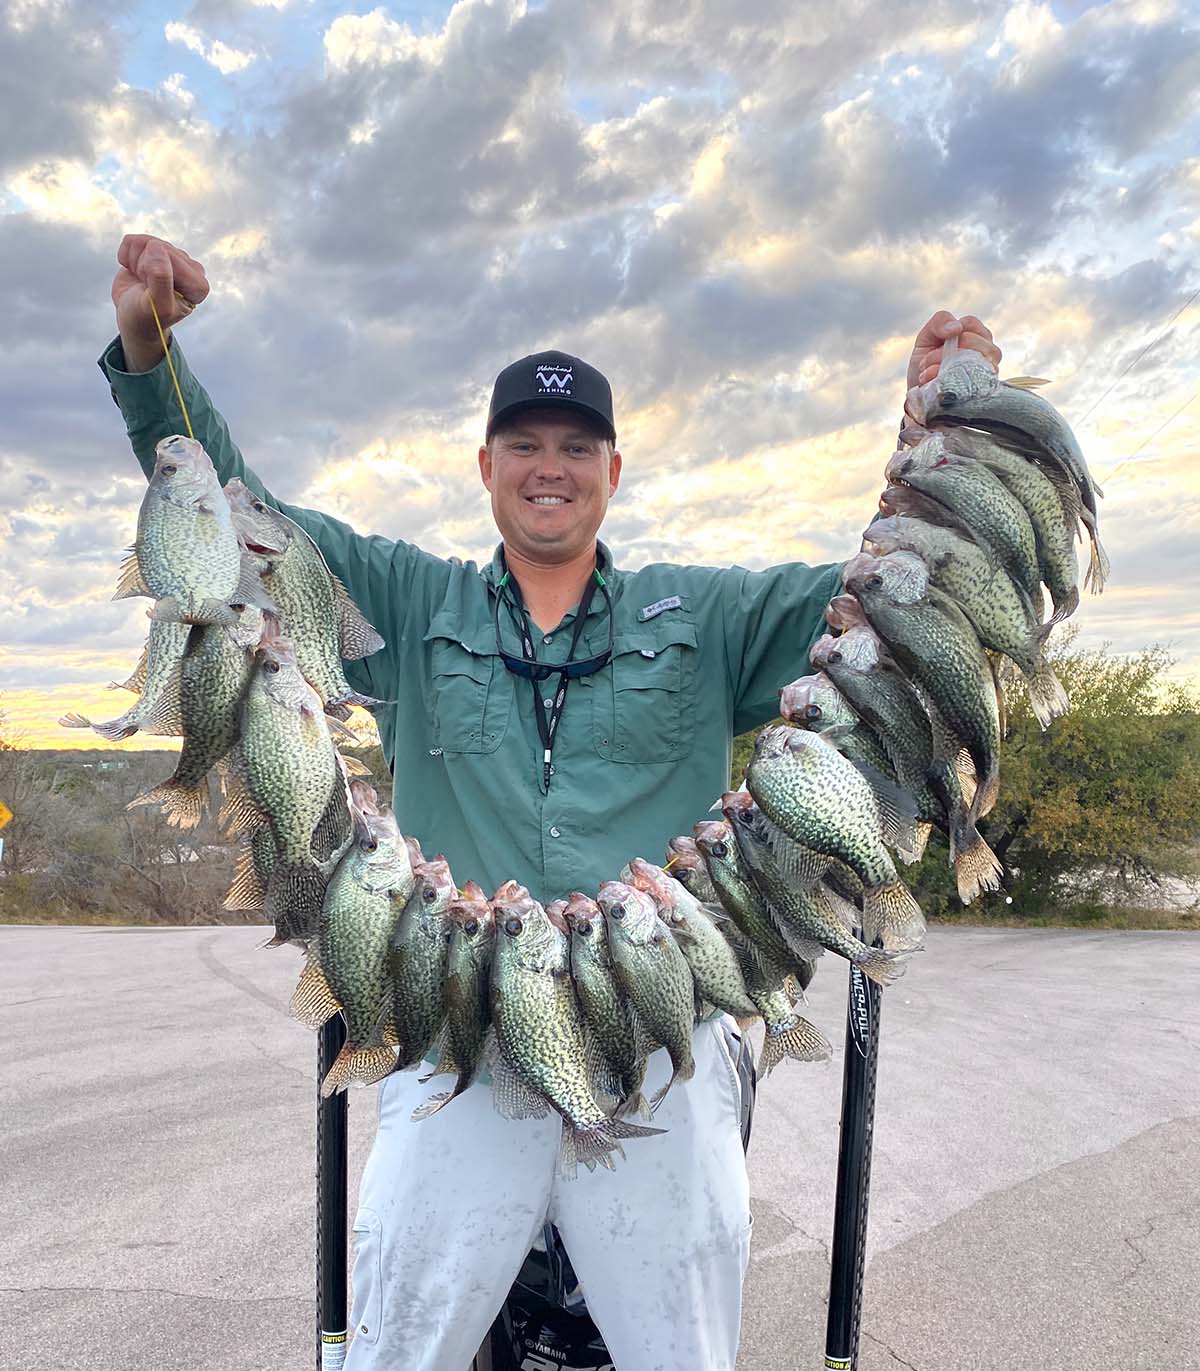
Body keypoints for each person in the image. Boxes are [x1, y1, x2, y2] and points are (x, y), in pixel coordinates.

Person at [102, 234, 1001, 1371]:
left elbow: (893, 603)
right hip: (458, 1028)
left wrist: (943, 437)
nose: (550, 466)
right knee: (401, 1338)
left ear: (612, 472)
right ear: (486, 467)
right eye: (524, 443)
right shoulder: (406, 600)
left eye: (577, 447)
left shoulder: (708, 615)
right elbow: (230, 521)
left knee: (680, 1346)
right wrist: (149, 350)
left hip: (658, 1033)